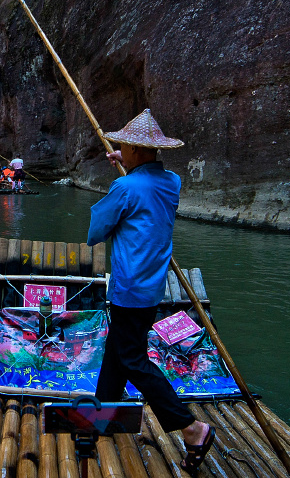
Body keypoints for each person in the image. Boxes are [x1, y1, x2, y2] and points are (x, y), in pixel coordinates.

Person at [86, 109, 215, 473]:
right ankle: (103, 414)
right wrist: (124, 164)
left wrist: (121, 183)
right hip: (152, 286)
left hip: (129, 286)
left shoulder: (125, 187)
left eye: (123, 147)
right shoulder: (171, 181)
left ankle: (192, 428)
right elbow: (144, 183)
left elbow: (97, 230)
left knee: (133, 360)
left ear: (137, 152)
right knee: (119, 351)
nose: (119, 150)